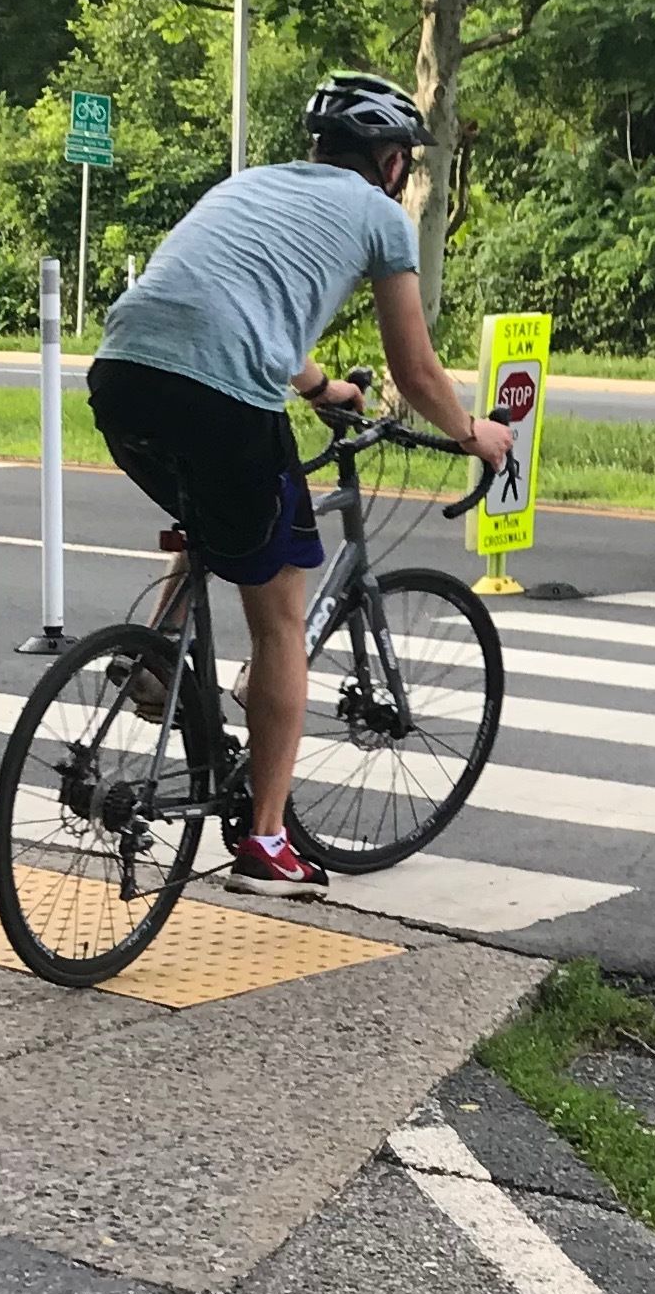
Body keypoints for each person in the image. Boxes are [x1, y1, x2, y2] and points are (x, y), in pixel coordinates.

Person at [85, 71, 513, 894]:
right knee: (283, 612)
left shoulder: (247, 186)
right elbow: (414, 367)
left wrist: (321, 390)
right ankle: (269, 844)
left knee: (212, 512)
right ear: (389, 160)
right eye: (405, 159)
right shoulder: (380, 216)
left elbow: (228, 305)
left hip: (123, 378)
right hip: (221, 399)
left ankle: (160, 658)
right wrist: (473, 432)